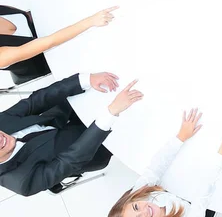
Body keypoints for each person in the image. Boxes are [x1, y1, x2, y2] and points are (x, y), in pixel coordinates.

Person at [0, 72, 142, 196]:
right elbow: (72, 158)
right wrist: (110, 112)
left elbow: (36, 101)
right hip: (91, 147)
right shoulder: (22, 182)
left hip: (63, 116)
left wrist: (85, 80)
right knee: (136, 120)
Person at [106, 108, 222, 217]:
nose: (144, 211)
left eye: (136, 207)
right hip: (199, 207)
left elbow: (155, 167)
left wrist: (181, 136)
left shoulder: (138, 196)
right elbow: (203, 196)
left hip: (183, 189)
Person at [0, 5, 117, 85]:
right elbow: (50, 41)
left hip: (53, 30)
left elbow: (24, 15)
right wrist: (91, 21)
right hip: (49, 58)